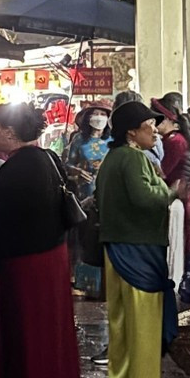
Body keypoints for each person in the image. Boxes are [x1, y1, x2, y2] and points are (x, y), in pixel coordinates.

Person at [0, 103, 82, 378]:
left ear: (10, 132)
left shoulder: (15, 170)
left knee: (25, 339)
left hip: (23, 266)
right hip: (52, 259)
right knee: (54, 339)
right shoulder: (49, 160)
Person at [96, 100, 182, 378]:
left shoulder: (112, 158)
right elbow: (145, 199)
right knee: (144, 328)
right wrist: (172, 192)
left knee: (120, 328)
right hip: (140, 250)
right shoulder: (134, 159)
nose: (156, 133)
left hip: (116, 249)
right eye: (149, 127)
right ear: (131, 132)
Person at [62, 102, 112, 300]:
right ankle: (84, 282)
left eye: (102, 114)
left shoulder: (113, 141)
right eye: (95, 114)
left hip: (106, 194)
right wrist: (76, 173)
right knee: (85, 237)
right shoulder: (78, 141)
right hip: (84, 195)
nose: (98, 117)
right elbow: (67, 165)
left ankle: (106, 282)